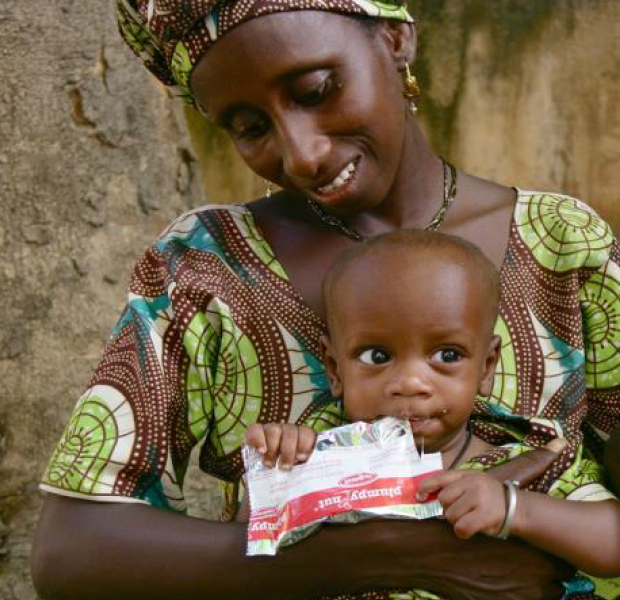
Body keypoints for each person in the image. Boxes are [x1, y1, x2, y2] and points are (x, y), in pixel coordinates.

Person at [32, 1, 620, 599]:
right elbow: (71, 552)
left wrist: (521, 511)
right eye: (250, 127)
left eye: (315, 90)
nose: (302, 154)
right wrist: (383, 557)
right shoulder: (206, 266)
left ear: (395, 40)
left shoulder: (563, 244)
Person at [242, 230, 620, 599]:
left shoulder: (531, 457)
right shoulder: (316, 455)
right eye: (377, 356)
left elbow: (613, 541)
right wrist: (277, 474)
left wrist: (514, 510)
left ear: (487, 367)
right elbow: (246, 551)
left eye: (447, 356)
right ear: (335, 370)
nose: (410, 383)